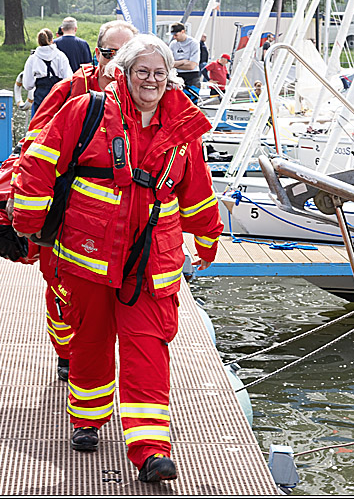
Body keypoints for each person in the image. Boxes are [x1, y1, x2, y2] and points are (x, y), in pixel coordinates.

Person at [11, 34, 223, 484]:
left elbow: (198, 190)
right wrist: (29, 223)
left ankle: (150, 450)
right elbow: (39, 162)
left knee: (149, 345)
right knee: (91, 339)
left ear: (171, 78)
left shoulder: (183, 126)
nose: (151, 80)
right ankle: (88, 418)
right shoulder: (85, 111)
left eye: (160, 73)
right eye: (142, 71)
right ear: (124, 74)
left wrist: (207, 238)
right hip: (88, 252)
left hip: (152, 259)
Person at [13, 19, 137, 382]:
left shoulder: (148, 95)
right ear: (97, 54)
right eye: (111, 54)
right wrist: (30, 220)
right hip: (68, 217)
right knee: (61, 292)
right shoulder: (71, 90)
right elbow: (34, 151)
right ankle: (66, 353)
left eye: (127, 55)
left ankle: (97, 360)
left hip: (124, 224)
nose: (117, 63)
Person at [21, 28, 72, 119]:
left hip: (40, 99)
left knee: (39, 123)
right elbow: (69, 79)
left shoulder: (32, 58)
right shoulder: (61, 56)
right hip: (58, 97)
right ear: (52, 40)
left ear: (39, 42)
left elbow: (28, 85)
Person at [168, 21, 200, 104]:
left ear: (183, 32)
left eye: (176, 35)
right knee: (177, 103)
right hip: (178, 76)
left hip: (192, 77)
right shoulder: (173, 44)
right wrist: (183, 62)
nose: (174, 37)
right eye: (173, 35)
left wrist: (176, 64)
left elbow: (192, 66)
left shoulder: (193, 43)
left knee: (191, 103)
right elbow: (169, 63)